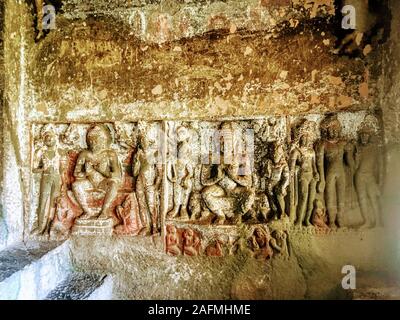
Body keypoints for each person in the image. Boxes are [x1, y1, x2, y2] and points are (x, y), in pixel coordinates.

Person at [72, 125, 122, 220]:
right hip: (89, 183)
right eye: (90, 141)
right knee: (75, 185)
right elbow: (76, 173)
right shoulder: (84, 154)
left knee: (113, 184)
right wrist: (86, 173)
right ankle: (87, 211)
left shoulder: (110, 154)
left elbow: (117, 174)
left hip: (103, 183)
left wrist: (102, 171)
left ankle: (104, 211)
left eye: (96, 140)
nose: (93, 143)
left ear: (103, 141)